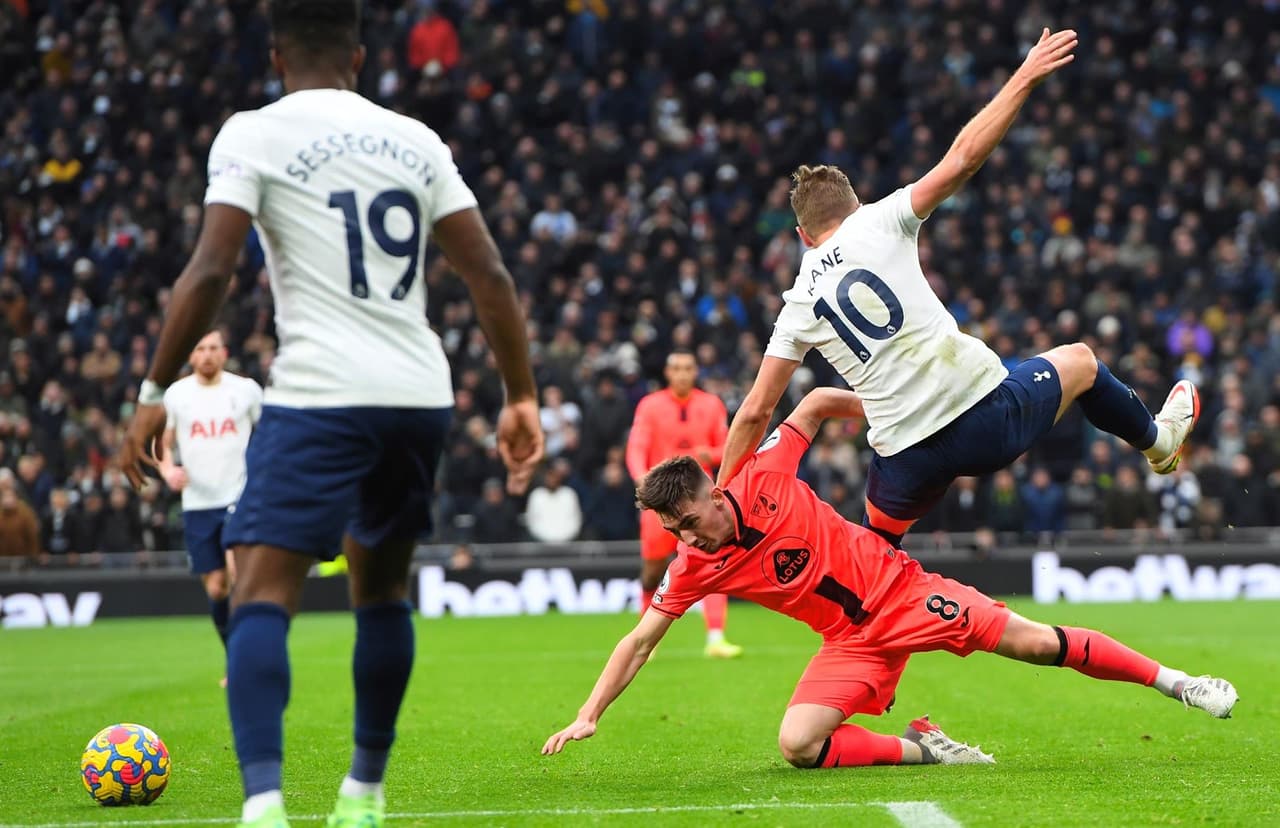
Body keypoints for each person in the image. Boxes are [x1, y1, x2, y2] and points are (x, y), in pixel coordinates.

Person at [119, 2, 544, 827]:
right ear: (358, 55)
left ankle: (266, 806)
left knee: (259, 593)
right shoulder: (416, 138)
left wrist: (151, 392)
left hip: (321, 393)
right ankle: (364, 794)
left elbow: (211, 271)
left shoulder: (253, 132)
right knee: (380, 592)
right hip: (419, 394)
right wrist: (518, 395)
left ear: (278, 57)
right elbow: (488, 272)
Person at [542, 389, 1238, 768]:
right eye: (676, 531)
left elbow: (811, 403)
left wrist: (886, 414)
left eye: (690, 519)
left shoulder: (762, 476)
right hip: (848, 641)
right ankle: (925, 749)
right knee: (798, 745)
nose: (686, 538)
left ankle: (1180, 684)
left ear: (713, 492)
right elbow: (640, 640)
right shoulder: (695, 564)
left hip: (903, 594)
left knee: (1033, 644)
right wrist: (588, 714)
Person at [718, 30, 1198, 547]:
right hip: (981, 422)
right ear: (855, 204)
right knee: (1080, 360)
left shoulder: (796, 303)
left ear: (801, 236)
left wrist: (719, 506)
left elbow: (754, 412)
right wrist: (1025, 74)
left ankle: (862, 618)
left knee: (874, 564)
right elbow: (964, 158)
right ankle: (1158, 444)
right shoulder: (879, 220)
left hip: (904, 459)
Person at [157, 328, 262, 670]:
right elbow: (163, 443)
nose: (207, 355)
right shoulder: (177, 395)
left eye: (213, 348)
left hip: (240, 495)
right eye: (200, 348)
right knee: (217, 588)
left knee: (238, 573)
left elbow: (268, 435)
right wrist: (168, 470)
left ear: (224, 352)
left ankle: (247, 662)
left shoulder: (245, 391)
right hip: (199, 503)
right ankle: (235, 657)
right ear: (191, 355)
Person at [626, 349, 741, 659]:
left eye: (688, 368)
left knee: (714, 561)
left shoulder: (711, 404)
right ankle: (645, 639)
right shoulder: (650, 406)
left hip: (701, 504)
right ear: (668, 372)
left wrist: (711, 455)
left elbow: (728, 446)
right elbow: (636, 448)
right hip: (661, 504)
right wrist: (642, 481)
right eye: (676, 368)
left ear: (695, 372)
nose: (682, 374)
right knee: (652, 571)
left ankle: (716, 637)